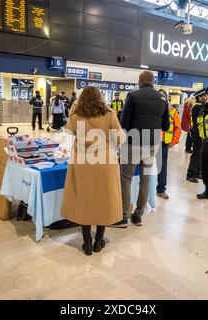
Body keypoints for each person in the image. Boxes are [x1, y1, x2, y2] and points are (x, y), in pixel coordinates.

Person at [61, 86, 126, 256]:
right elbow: (120, 139)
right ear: (100, 98)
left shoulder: (75, 116)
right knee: (103, 200)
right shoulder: (109, 114)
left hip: (82, 162)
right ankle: (99, 240)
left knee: (85, 200)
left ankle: (87, 242)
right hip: (105, 163)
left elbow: (66, 137)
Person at [110, 70, 170, 228]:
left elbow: (124, 124)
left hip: (132, 143)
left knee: (125, 178)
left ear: (139, 82)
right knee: (146, 179)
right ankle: (138, 215)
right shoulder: (163, 99)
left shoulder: (133, 96)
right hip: (152, 144)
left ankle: (122, 216)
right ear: (153, 81)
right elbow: (166, 126)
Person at [156, 88, 181, 199]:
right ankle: (144, 191)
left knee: (162, 167)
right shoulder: (151, 109)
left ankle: (161, 190)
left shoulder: (172, 111)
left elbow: (178, 128)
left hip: (163, 144)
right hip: (149, 142)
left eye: (163, 97)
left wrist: (173, 141)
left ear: (166, 98)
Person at [186, 89, 207, 183]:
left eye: (206, 96)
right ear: (199, 97)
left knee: (200, 153)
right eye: (204, 96)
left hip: (200, 133)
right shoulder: (197, 106)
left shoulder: (200, 106)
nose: (206, 97)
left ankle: (198, 172)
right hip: (197, 133)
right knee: (196, 154)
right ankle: (190, 174)